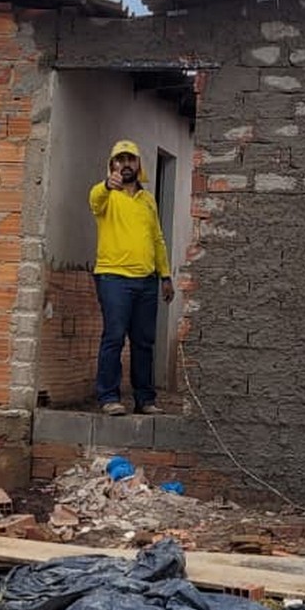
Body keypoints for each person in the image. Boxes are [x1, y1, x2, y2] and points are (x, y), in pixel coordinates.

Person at [89, 140, 174, 415]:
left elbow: (157, 239)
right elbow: (94, 200)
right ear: (112, 165)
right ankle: (108, 398)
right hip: (113, 278)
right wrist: (106, 185)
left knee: (144, 342)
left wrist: (165, 275)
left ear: (139, 165)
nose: (125, 164)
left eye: (131, 159)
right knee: (114, 337)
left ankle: (145, 400)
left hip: (147, 281)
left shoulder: (148, 200)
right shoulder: (105, 195)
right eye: (120, 159)